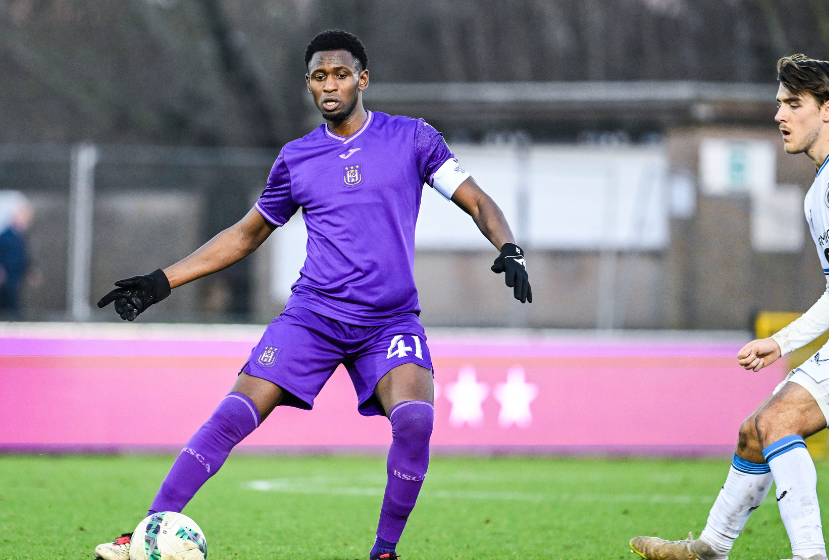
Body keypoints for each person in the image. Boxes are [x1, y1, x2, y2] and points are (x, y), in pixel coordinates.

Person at [94, 30, 531, 560]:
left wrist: (509, 247)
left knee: (416, 421)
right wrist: (163, 280)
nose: (330, 85)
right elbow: (246, 235)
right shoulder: (296, 158)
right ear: (308, 84)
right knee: (233, 413)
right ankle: (141, 535)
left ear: (362, 80)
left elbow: (477, 200)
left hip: (389, 321)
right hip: (313, 317)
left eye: (340, 75)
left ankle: (384, 551)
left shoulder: (412, 138)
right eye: (319, 76)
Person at [629, 55, 829, 560]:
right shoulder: (817, 196)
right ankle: (709, 548)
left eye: (793, 104)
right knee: (753, 433)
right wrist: (781, 341)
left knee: (777, 424)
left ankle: (809, 555)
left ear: (828, 110)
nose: (780, 115)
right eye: (779, 104)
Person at [0, 200, 34, 319]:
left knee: (8, 305)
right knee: (7, 306)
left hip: (16, 277)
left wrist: (29, 271)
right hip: (7, 277)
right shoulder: (6, 235)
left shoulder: (21, 236)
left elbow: (23, 257)